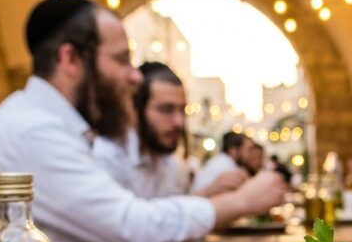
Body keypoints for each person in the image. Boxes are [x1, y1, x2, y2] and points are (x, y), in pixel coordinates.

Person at [0, 0, 285, 242]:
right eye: (121, 59)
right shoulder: (31, 129)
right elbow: (129, 226)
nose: (135, 76)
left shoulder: (46, 122)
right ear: (70, 59)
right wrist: (241, 201)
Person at [92, 62, 245, 199]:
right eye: (166, 109)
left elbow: (173, 217)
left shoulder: (173, 167)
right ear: (135, 109)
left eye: (182, 110)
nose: (179, 122)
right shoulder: (107, 158)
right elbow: (132, 224)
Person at [190, 131, 261, 194]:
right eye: (248, 150)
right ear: (233, 151)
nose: (252, 154)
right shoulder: (227, 168)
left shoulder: (222, 161)